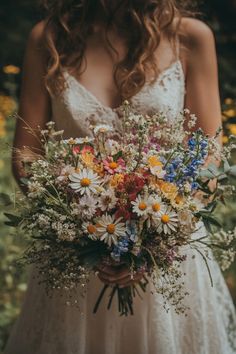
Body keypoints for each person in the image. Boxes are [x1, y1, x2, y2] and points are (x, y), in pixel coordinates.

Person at [4, 1, 236, 353]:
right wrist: (81, 227)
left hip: (170, 254)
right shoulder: (49, 38)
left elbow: (210, 158)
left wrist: (151, 243)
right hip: (76, 256)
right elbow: (26, 156)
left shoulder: (189, 37)